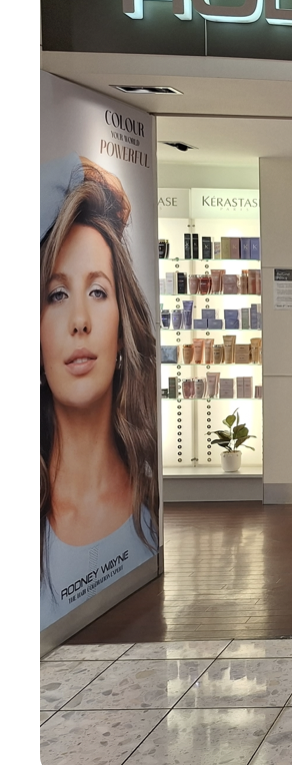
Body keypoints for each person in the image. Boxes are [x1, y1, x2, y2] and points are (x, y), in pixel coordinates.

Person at [41, 157, 158, 628]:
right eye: (56, 294)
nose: (80, 322)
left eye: (97, 292)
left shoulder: (148, 504)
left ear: (122, 322)